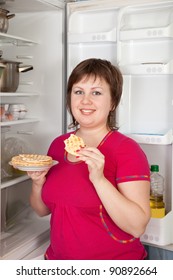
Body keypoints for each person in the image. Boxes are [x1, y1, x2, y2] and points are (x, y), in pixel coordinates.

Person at [28, 58, 151, 260]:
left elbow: (137, 226)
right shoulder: (58, 145)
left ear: (112, 102)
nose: (85, 101)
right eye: (78, 92)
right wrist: (37, 184)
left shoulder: (127, 150)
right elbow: (42, 210)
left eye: (96, 92)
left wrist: (99, 180)